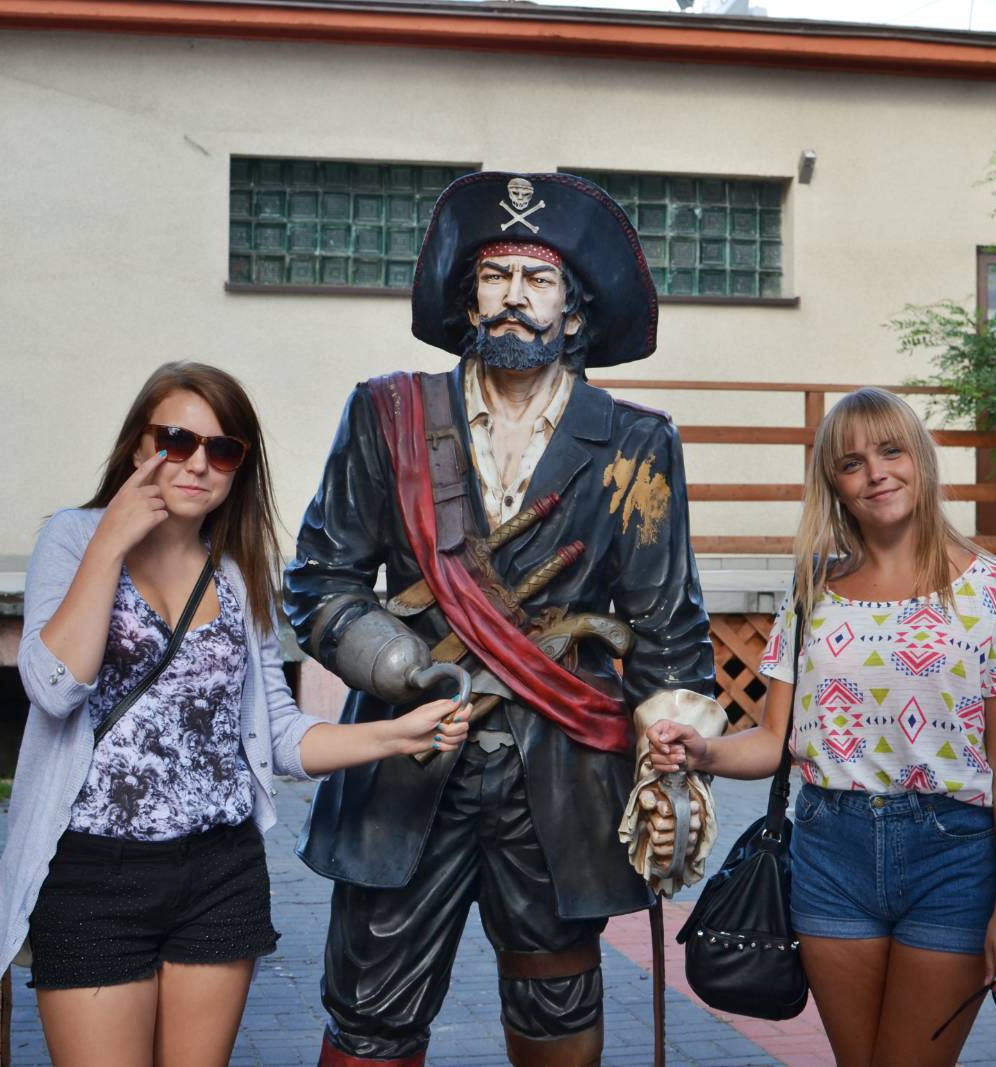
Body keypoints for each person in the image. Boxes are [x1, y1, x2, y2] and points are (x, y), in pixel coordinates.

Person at [284, 172, 715, 1067]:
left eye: (538, 277)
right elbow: (321, 582)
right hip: (408, 755)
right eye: (495, 274)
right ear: (468, 296)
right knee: (369, 1005)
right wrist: (399, 665)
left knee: (557, 1002)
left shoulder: (636, 442)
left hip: (561, 770)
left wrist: (672, 771)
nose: (515, 295)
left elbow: (667, 631)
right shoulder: (388, 415)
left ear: (573, 306)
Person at [0, 362, 472, 1067]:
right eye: (177, 440)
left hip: (220, 872)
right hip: (93, 873)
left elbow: (280, 737)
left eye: (222, 449)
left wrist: (396, 735)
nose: (197, 463)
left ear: (240, 466)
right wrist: (110, 541)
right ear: (138, 445)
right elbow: (55, 687)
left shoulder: (237, 573)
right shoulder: (72, 538)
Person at [648, 386, 996, 1067]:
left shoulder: (992, 590)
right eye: (852, 463)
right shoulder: (812, 590)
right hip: (830, 852)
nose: (876, 474)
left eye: (891, 452)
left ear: (920, 459)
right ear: (834, 483)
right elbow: (774, 740)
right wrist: (701, 751)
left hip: (952, 856)